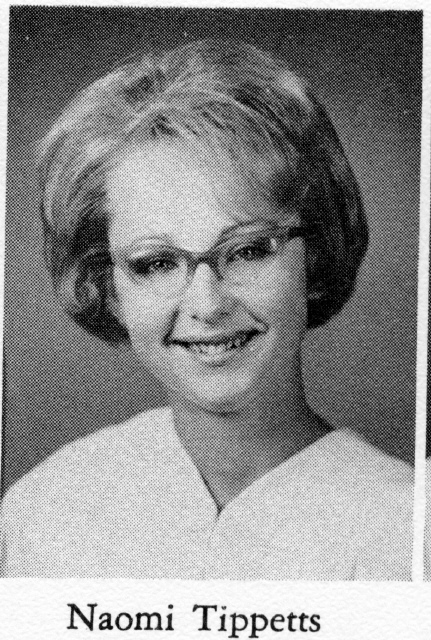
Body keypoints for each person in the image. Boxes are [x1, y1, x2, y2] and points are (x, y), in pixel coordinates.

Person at [1, 38, 413, 579]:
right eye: (156, 263)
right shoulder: (46, 512)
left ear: (313, 258)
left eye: (247, 251)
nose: (207, 304)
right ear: (109, 287)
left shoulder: (403, 528)